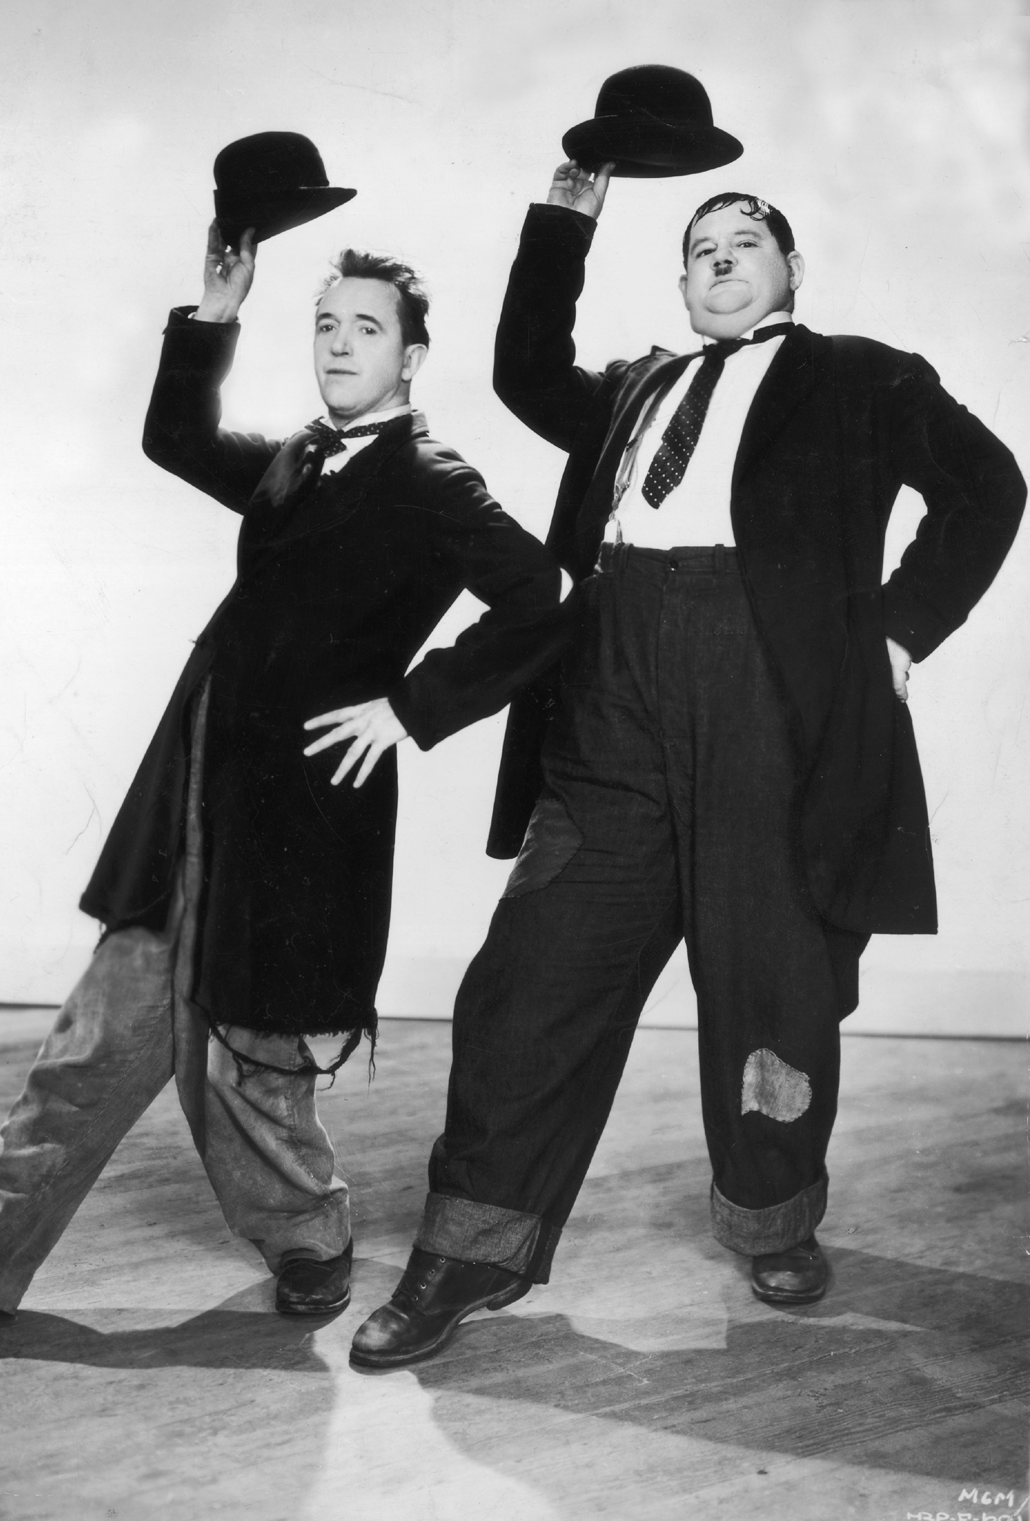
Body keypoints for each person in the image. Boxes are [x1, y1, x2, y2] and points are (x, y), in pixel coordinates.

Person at [350, 162, 1025, 1370]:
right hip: (611, 692)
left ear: (792, 270)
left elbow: (990, 485)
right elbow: (523, 370)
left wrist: (902, 626)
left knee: (772, 983)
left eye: (746, 239)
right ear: (680, 282)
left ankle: (773, 1217)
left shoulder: (859, 375)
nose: (720, 256)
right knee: (531, 973)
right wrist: (570, 212)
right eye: (701, 246)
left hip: (769, 700)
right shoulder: (635, 389)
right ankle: (469, 1249)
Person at [0, 225, 567, 1331]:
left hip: (304, 808)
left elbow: (543, 596)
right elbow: (175, 436)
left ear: (412, 355)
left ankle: (311, 1236)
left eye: (367, 328)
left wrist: (412, 708)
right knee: (102, 1030)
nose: (338, 344)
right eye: (325, 324)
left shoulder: (432, 478)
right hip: (198, 778)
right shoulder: (297, 458)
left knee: (250, 1056)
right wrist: (216, 312)